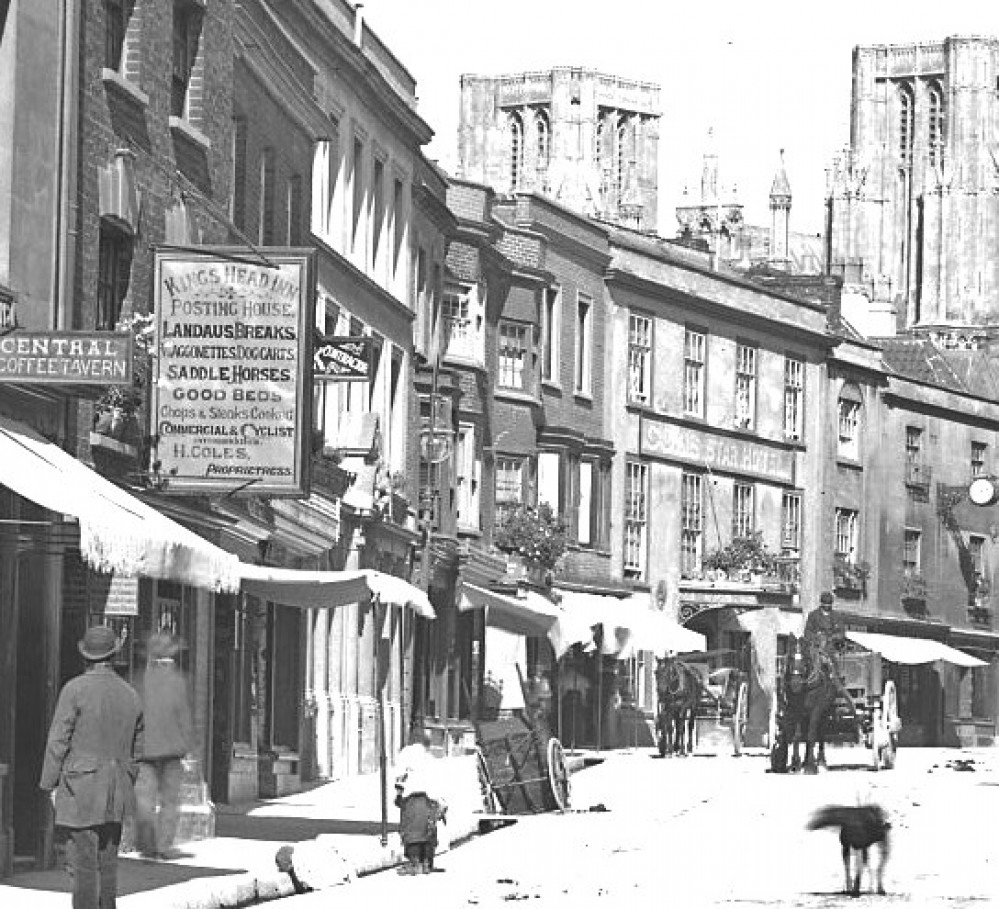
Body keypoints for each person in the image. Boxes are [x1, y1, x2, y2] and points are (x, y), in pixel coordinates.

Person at [39, 625, 144, 909]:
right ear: (113, 655)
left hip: (81, 790)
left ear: (87, 656)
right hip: (117, 791)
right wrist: (125, 779)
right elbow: (138, 750)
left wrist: (49, 783)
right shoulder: (130, 695)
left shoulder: (74, 689)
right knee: (108, 864)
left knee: (83, 863)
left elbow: (58, 739)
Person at [134, 631, 194, 860]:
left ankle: (147, 841)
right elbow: (185, 717)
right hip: (172, 751)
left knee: (144, 801)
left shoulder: (139, 680)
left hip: (144, 751)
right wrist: (189, 745)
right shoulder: (178, 681)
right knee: (170, 801)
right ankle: (163, 845)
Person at [394, 728, 446, 875]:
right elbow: (438, 781)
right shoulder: (429, 757)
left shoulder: (406, 755)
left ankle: (414, 863)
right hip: (430, 800)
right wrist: (441, 802)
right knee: (428, 832)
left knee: (412, 833)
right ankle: (427, 863)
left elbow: (400, 777)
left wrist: (398, 794)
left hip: (411, 799)